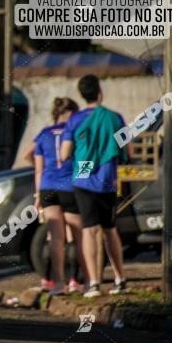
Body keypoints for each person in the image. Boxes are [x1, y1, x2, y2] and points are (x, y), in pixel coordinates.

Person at [60, 75, 129, 298]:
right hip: (107, 179)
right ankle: (120, 278)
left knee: (89, 230)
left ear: (82, 95)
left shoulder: (74, 120)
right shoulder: (115, 117)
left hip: (82, 178)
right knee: (110, 229)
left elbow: (64, 153)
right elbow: (127, 152)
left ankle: (95, 284)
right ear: (99, 92)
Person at [33, 97, 86, 295]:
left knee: (55, 238)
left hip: (47, 187)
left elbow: (38, 170)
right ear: (71, 114)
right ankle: (76, 280)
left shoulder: (42, 135)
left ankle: (56, 283)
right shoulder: (73, 133)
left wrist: (38, 195)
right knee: (76, 236)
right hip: (69, 188)